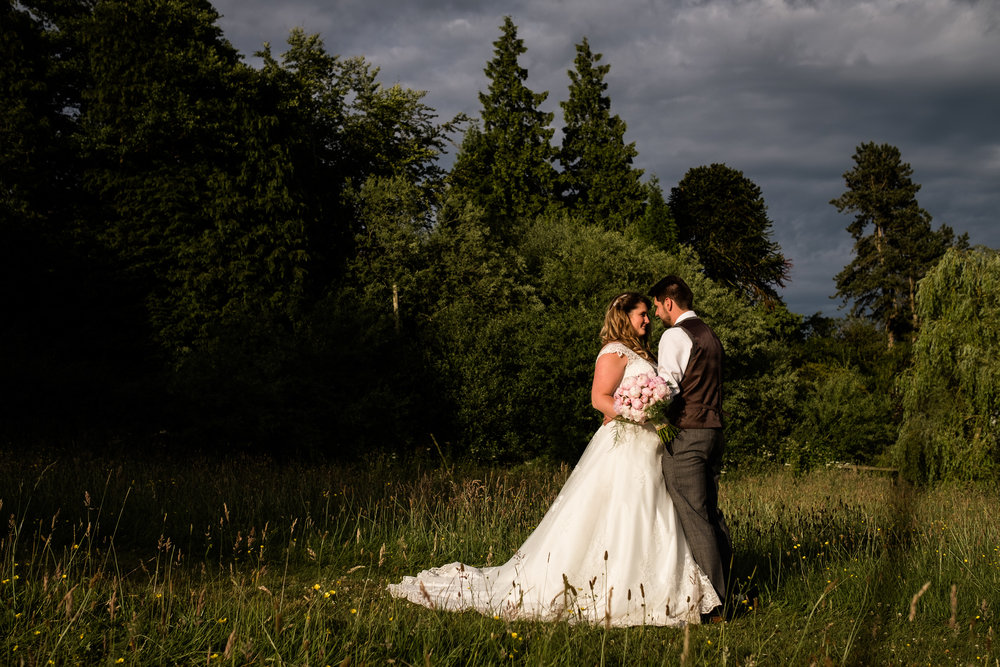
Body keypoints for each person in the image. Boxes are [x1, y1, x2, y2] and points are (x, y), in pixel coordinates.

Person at [387, 292, 720, 626]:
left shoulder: (640, 352)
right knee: (625, 510)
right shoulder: (613, 352)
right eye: (642, 314)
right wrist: (633, 410)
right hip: (625, 444)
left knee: (653, 511)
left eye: (649, 314)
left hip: (649, 445)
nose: (648, 320)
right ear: (623, 316)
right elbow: (598, 398)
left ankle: (659, 583)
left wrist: (651, 410)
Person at [649, 276, 732, 618]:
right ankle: (733, 590)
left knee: (695, 520)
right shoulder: (709, 335)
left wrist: (645, 406)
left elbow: (666, 387)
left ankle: (717, 606)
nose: (656, 313)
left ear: (669, 302)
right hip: (713, 432)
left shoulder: (675, 335)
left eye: (656, 305)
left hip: (688, 435)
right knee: (711, 516)